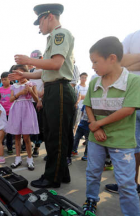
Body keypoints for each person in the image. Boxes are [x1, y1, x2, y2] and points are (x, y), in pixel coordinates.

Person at [10, 3, 75, 187]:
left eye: (40, 22)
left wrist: (29, 60)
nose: (39, 27)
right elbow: (44, 72)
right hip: (54, 88)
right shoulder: (53, 38)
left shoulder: (59, 34)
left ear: (49, 17)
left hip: (59, 89)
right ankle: (62, 174)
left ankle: (52, 178)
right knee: (54, 134)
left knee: (57, 136)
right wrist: (24, 74)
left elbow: (55, 65)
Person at [81, 36, 140, 215]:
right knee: (92, 172)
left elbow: (128, 110)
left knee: (126, 183)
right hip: (96, 138)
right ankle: (91, 199)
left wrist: (98, 123)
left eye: (95, 62)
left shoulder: (132, 81)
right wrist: (95, 127)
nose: (93, 66)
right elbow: (88, 105)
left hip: (122, 141)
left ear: (112, 58)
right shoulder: (94, 83)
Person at [105, 29, 140, 194]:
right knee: (132, 146)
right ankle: (130, 185)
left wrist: (131, 61)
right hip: (132, 98)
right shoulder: (132, 36)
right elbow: (118, 61)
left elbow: (124, 62)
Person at [6, 65, 39, 171]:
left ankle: (30, 160)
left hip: (27, 110)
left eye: (21, 73)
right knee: (16, 136)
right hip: (16, 110)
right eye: (17, 73)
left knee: (26, 137)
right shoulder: (14, 86)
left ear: (26, 73)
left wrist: (30, 90)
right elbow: (11, 99)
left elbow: (37, 100)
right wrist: (20, 93)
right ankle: (18, 158)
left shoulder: (31, 84)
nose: (19, 75)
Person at [28, 50, 44, 157]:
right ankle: (29, 145)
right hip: (30, 103)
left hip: (41, 103)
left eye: (36, 59)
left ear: (41, 58)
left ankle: (37, 148)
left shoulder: (45, 71)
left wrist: (39, 99)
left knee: (40, 126)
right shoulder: (31, 71)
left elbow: (46, 89)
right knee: (30, 125)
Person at [0, 72, 14, 155]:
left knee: (10, 132)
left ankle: (10, 147)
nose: (3, 81)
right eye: (2, 80)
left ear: (10, 79)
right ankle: (1, 145)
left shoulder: (13, 88)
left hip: (11, 113)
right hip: (2, 114)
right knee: (2, 130)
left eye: (5, 79)